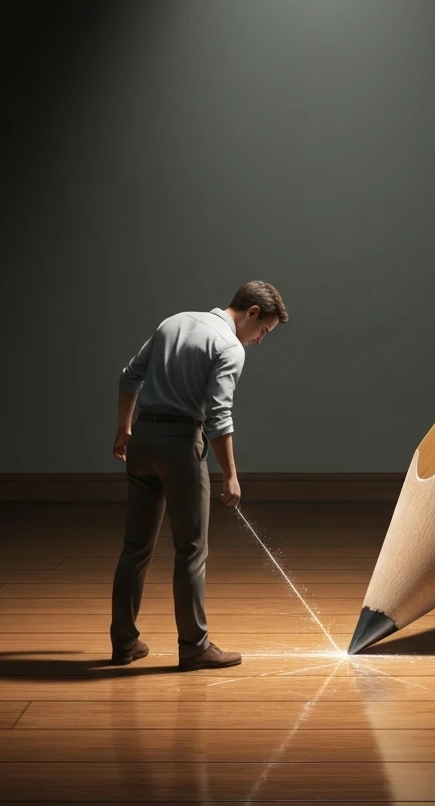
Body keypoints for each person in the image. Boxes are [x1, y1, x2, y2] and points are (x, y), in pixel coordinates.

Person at [109, 280, 288, 670]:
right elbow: (219, 417)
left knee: (135, 547)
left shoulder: (172, 322)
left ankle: (124, 643)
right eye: (263, 331)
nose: (259, 340)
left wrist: (125, 429)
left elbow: (129, 377)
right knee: (191, 549)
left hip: (142, 440)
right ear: (252, 312)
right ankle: (194, 646)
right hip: (180, 445)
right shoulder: (230, 347)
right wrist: (231, 475)